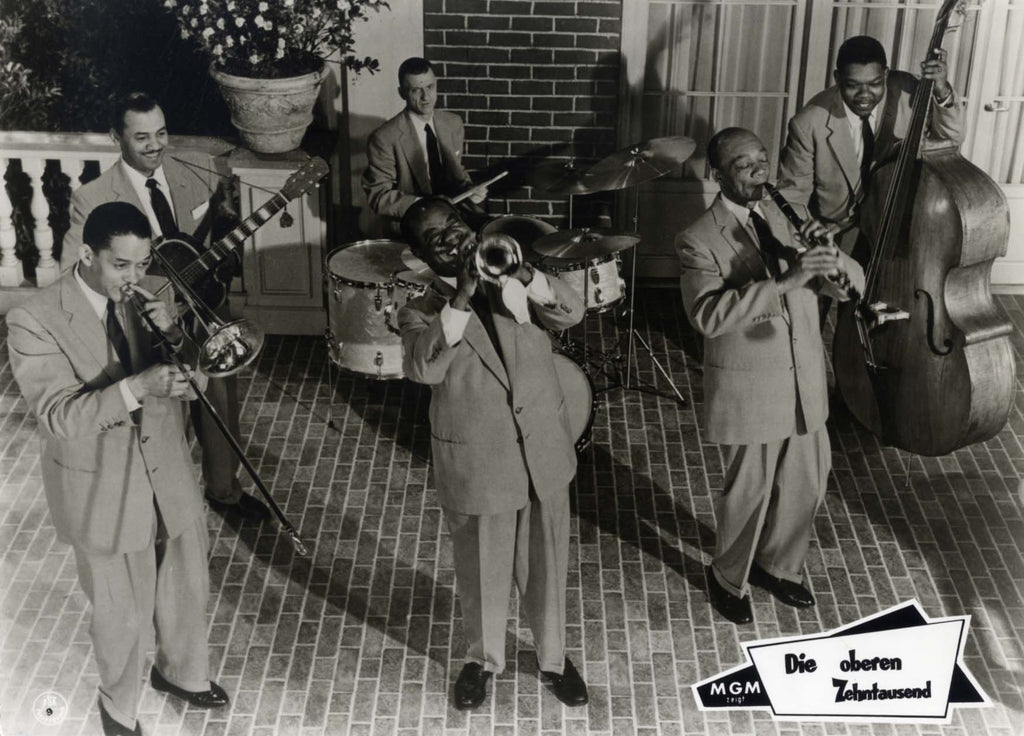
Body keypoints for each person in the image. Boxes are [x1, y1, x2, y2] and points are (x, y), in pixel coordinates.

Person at [7, 202, 229, 736]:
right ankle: (118, 708)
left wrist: (177, 338)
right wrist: (137, 387)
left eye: (142, 263)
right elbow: (59, 416)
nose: (134, 278)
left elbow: (196, 379)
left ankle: (181, 673)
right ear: (88, 255)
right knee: (120, 614)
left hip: (167, 469)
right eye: (121, 265)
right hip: (101, 487)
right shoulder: (33, 318)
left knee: (185, 584)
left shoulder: (153, 296)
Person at [397, 197, 588, 710]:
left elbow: (572, 312)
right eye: (435, 238)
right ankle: (482, 660)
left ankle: (553, 659)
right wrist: (461, 296)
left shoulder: (514, 278)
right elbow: (424, 369)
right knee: (481, 570)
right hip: (479, 463)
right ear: (422, 256)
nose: (451, 238)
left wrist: (525, 276)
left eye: (453, 226)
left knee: (547, 564)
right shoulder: (417, 311)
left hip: (542, 448)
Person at [675, 128, 865, 625]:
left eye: (763, 160)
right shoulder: (697, 238)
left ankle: (778, 566)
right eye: (744, 165)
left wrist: (833, 259)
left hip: (805, 380)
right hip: (751, 387)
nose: (759, 172)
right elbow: (707, 315)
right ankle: (727, 577)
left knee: (807, 485)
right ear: (717, 175)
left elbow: (847, 289)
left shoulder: (791, 215)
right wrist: (785, 280)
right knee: (749, 494)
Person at [61, 92, 268, 521]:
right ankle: (167, 505)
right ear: (116, 137)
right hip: (146, 323)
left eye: (161, 133)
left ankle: (224, 490)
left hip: (206, 311)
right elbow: (74, 272)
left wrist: (224, 259)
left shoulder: (196, 169)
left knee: (220, 400)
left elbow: (217, 230)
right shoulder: (92, 198)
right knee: (165, 416)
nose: (156, 145)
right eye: (142, 138)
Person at [776, 35, 965, 255]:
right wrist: (806, 243)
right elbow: (793, 196)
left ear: (885, 74)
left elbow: (951, 138)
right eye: (853, 85)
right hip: (838, 234)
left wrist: (942, 91)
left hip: (900, 227)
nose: (864, 95)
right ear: (837, 78)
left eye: (875, 84)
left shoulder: (910, 90)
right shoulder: (808, 123)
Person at [361, 57, 488, 226]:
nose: (426, 96)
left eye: (430, 87)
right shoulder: (384, 137)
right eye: (415, 90)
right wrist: (427, 205)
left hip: (455, 218)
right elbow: (379, 196)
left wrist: (471, 191)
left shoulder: (453, 123)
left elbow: (457, 174)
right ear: (402, 93)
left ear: (436, 84)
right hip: (415, 225)